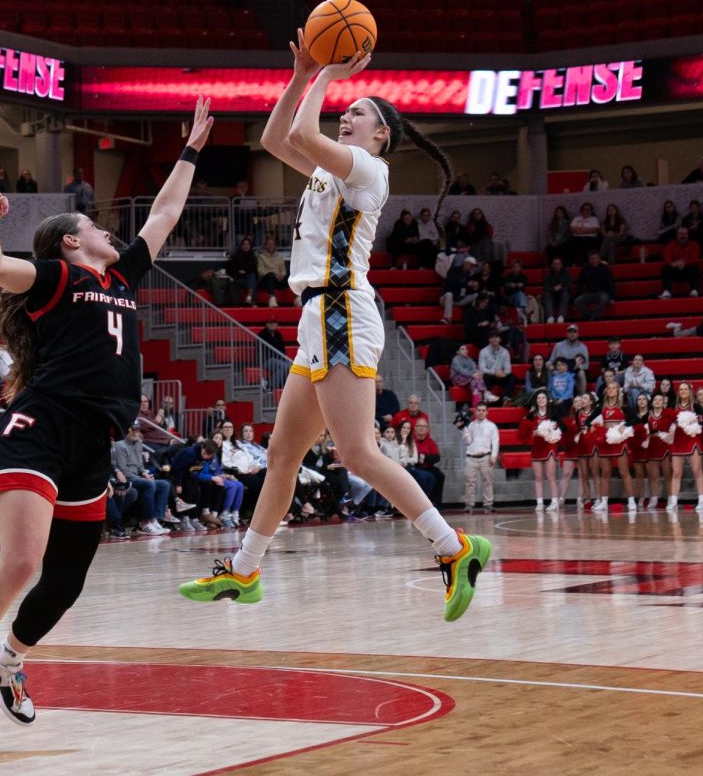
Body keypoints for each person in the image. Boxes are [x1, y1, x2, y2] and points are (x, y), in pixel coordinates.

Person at [0, 98, 213, 741]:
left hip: (94, 444)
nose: (109, 233)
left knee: (66, 582)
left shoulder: (122, 278)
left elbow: (166, 212)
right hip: (42, 425)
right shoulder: (56, 276)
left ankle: (9, 659)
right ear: (70, 239)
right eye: (96, 226)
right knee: (22, 563)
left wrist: (191, 148)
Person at [176, 39, 488, 622]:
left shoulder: (370, 168)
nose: (345, 114)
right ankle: (244, 571)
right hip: (320, 316)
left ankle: (456, 548)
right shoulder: (330, 168)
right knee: (282, 452)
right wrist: (301, 75)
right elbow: (277, 138)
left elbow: (299, 135)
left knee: (357, 453)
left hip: (343, 310)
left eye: (358, 112)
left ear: (381, 135)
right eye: (346, 109)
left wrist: (320, 72)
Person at [593, 381, 636, 512]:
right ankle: (604, 502)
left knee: (624, 471)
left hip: (619, 441)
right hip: (606, 442)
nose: (611, 390)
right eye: (609, 388)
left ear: (618, 391)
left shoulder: (624, 406)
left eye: (614, 388)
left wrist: (625, 425)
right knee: (605, 473)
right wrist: (594, 426)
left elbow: (636, 419)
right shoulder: (601, 407)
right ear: (606, 391)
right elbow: (589, 420)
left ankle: (631, 500)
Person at [666, 382, 703, 512]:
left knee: (697, 470)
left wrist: (695, 420)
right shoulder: (673, 406)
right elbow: (666, 421)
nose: (683, 391)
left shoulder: (695, 406)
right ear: (678, 392)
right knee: (676, 472)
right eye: (681, 389)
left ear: (690, 391)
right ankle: (673, 502)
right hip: (678, 441)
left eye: (685, 389)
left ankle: (702, 500)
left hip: (692, 440)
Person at [521, 390, 561, 511]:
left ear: (547, 400)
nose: (541, 400)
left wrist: (550, 433)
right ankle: (539, 502)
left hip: (549, 446)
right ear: (536, 401)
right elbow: (525, 431)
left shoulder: (553, 413)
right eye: (538, 398)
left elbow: (559, 429)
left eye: (543, 397)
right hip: (536, 447)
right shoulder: (532, 415)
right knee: (538, 477)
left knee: (551, 476)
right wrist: (536, 432)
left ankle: (555, 502)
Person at [461, 402, 498, 513]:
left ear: (487, 412)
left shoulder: (491, 426)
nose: (481, 412)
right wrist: (463, 429)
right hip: (471, 456)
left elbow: (495, 441)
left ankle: (488, 504)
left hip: (485, 456)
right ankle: (469, 505)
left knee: (487, 481)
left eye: (483, 410)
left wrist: (494, 456)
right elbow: (467, 441)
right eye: (479, 410)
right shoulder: (470, 425)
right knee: (469, 481)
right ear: (476, 411)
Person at [660, 227, 702, 298]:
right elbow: (667, 258)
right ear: (676, 235)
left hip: (687, 271)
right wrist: (674, 264)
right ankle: (667, 291)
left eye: (685, 234)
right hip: (675, 270)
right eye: (680, 234)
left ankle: (694, 290)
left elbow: (694, 259)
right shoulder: (670, 245)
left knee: (694, 267)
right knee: (665, 268)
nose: (683, 236)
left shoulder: (694, 245)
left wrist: (684, 263)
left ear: (688, 235)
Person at [573, 250, 614, 321]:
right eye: (592, 259)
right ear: (589, 259)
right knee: (577, 301)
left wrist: (612, 297)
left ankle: (593, 317)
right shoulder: (585, 269)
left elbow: (610, 283)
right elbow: (580, 283)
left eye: (595, 258)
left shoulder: (605, 269)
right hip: (589, 293)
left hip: (602, 292)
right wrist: (579, 295)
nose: (594, 260)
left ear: (599, 259)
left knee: (604, 299)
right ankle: (590, 316)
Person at [256, 235, 288, 307]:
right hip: (266, 280)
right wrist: (274, 274)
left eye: (272, 244)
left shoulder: (279, 257)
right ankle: (271, 298)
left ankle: (297, 298)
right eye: (268, 244)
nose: (270, 246)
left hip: (278, 280)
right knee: (271, 275)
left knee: (289, 276)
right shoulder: (261, 257)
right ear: (265, 245)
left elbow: (283, 270)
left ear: (275, 245)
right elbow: (260, 271)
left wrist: (281, 275)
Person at [541, 256, 572, 323]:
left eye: (558, 264)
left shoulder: (566, 275)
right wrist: (554, 289)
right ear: (552, 265)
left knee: (565, 294)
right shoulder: (548, 276)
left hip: (563, 295)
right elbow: (546, 287)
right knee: (547, 294)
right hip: (552, 296)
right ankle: (550, 316)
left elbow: (569, 286)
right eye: (555, 264)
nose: (557, 266)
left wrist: (561, 288)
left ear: (561, 265)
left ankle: (561, 316)